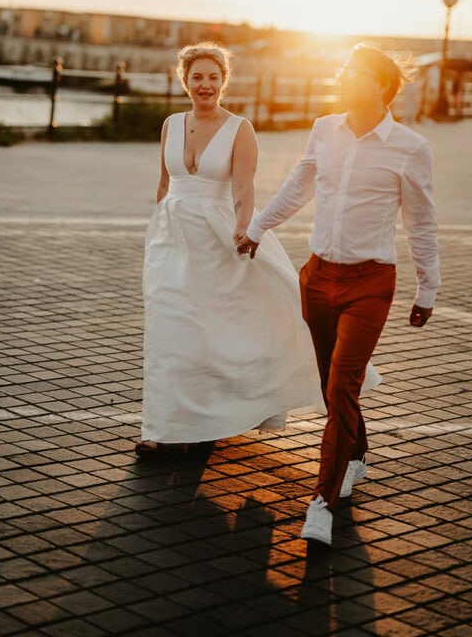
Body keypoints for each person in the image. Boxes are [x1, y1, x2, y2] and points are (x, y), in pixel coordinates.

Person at [236, 43, 440, 546]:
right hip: (318, 277)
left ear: (381, 84)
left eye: (354, 71)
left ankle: (322, 504)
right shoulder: (325, 129)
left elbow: (421, 221)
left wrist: (428, 286)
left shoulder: (410, 147)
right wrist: (258, 228)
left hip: (370, 283)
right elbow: (298, 184)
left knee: (342, 386)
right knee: (334, 385)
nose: (344, 76)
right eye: (344, 68)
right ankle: (355, 454)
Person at [137, 41, 379, 458]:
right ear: (185, 81)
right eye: (197, 77)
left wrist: (245, 228)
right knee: (169, 330)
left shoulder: (239, 128)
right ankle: (161, 428)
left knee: (211, 330)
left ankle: (208, 419)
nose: (205, 85)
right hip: (171, 241)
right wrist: (158, 228)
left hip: (217, 239)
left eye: (213, 77)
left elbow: (243, 188)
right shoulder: (170, 124)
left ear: (224, 82)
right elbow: (164, 184)